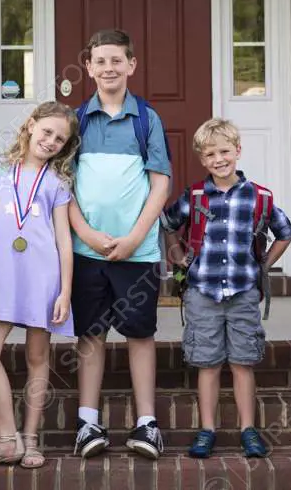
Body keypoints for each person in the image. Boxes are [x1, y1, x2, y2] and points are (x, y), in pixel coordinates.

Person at [160, 117, 291, 459]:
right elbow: (168, 223)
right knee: (206, 363)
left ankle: (248, 429)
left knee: (242, 362)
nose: (218, 159)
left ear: (237, 150)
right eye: (210, 154)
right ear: (202, 160)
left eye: (224, 151)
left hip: (243, 294)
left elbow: (286, 231)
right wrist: (176, 254)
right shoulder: (194, 196)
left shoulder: (259, 198)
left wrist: (263, 266)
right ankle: (207, 429)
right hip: (202, 293)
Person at [67, 28, 172, 459]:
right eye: (100, 61)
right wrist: (87, 234)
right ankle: (87, 422)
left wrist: (134, 237)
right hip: (87, 251)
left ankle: (147, 424)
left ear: (131, 65)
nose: (109, 68)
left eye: (117, 60)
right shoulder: (75, 121)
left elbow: (161, 183)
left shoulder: (146, 118)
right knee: (90, 335)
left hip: (137, 251)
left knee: (139, 333)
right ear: (88, 68)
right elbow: (61, 185)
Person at [0, 101, 80, 468]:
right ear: (30, 126)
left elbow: (63, 241)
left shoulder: (57, 183)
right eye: (47, 132)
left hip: (43, 279)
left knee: (37, 358)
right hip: (3, 277)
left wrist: (65, 291)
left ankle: (30, 440)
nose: (51, 141)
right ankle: (6, 439)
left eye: (60, 139)